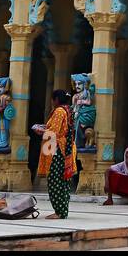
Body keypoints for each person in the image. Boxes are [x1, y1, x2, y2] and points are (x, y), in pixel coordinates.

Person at [32, 89, 76, 219]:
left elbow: (54, 132)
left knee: (54, 179)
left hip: (56, 149)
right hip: (65, 147)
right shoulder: (69, 110)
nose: (52, 102)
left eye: (53, 99)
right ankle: (62, 210)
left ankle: (59, 212)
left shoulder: (59, 111)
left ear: (56, 99)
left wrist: (40, 131)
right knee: (64, 180)